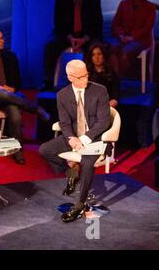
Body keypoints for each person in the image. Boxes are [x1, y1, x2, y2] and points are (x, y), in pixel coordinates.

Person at [39, 60, 110, 223]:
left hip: (95, 138)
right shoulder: (62, 95)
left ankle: (79, 204)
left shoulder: (100, 91)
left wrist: (83, 139)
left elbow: (103, 123)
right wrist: (71, 139)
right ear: (71, 78)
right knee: (45, 150)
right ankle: (72, 172)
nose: (85, 79)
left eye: (86, 74)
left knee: (86, 162)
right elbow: (64, 122)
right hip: (74, 136)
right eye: (81, 77)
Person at [0, 29, 50, 164]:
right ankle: (34, 109)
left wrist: (12, 88)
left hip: (8, 97)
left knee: (14, 112)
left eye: (2, 38)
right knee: (0, 93)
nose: (2, 41)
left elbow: (18, 80)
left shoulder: (10, 56)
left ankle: (18, 149)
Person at [41, 0, 103, 91]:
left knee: (96, 47)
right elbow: (58, 25)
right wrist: (70, 38)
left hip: (87, 36)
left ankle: (95, 81)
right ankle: (48, 81)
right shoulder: (61, 0)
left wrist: (84, 39)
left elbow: (97, 25)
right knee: (50, 45)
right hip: (67, 36)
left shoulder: (94, 0)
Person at [110, 0, 156, 78]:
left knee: (124, 53)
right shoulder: (123, 4)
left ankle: (118, 81)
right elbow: (115, 24)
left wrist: (132, 37)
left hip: (140, 40)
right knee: (112, 50)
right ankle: (116, 82)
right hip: (122, 37)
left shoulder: (150, 8)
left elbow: (147, 29)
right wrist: (121, 35)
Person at [85, 43, 120, 108]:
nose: (96, 57)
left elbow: (115, 97)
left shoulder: (112, 74)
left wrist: (105, 108)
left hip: (106, 108)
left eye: (99, 54)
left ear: (104, 55)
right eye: (93, 55)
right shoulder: (86, 74)